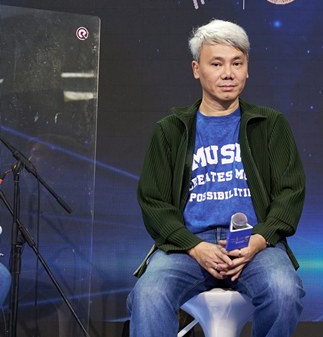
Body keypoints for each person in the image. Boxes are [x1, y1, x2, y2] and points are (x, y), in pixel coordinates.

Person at [128, 19, 305, 337]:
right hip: (187, 248)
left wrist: (259, 240)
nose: (228, 73)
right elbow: (153, 202)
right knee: (149, 294)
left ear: (247, 69)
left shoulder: (270, 124)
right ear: (197, 69)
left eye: (237, 63)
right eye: (217, 64)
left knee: (284, 291)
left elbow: (290, 192)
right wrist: (194, 246)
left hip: (255, 245)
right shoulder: (170, 130)